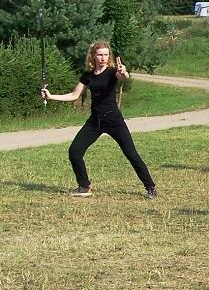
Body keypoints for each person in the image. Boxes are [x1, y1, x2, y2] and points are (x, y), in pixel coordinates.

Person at [41, 41, 157, 199]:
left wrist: (124, 72)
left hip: (114, 120)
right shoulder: (87, 76)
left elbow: (122, 77)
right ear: (93, 56)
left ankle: (150, 187)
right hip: (95, 122)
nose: (103, 58)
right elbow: (74, 95)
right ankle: (84, 186)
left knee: (131, 154)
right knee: (74, 152)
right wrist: (51, 96)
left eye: (106, 54)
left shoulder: (112, 72)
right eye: (100, 54)